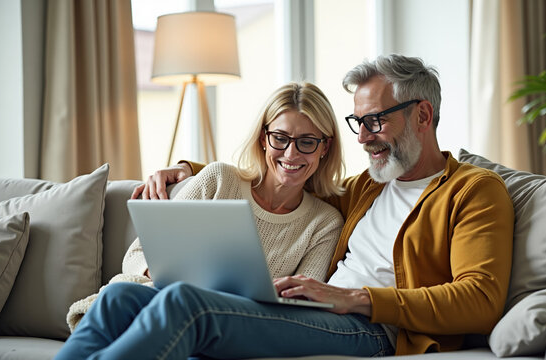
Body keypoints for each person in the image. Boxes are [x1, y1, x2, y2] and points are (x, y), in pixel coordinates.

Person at [55, 55, 514, 359]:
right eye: (358, 122)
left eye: (375, 120)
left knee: (184, 303)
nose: (363, 136)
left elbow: (480, 300)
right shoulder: (367, 188)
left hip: (371, 330)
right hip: (312, 312)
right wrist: (184, 168)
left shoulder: (474, 190)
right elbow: (287, 172)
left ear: (423, 115)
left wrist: (356, 299)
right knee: (119, 296)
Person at [122, 82, 345, 282]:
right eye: (280, 138)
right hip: (154, 296)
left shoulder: (324, 223)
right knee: (116, 295)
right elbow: (136, 255)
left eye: (307, 142)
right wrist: (177, 278)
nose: (290, 154)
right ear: (263, 138)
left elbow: (303, 305)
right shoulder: (219, 180)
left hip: (224, 321)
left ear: (324, 147)